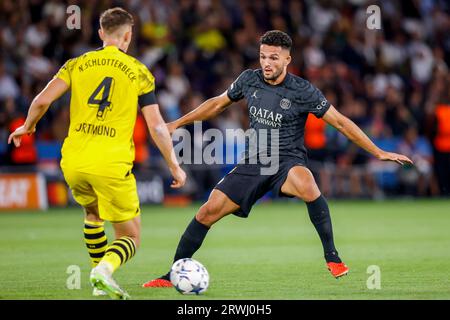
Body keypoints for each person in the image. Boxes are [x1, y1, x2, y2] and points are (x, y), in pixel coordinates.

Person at [142, 30, 413, 288]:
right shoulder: (249, 79)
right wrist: (177, 123)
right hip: (253, 161)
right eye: (263, 56)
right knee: (206, 212)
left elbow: (340, 123)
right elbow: (217, 103)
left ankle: (332, 256)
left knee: (307, 184)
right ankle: (172, 273)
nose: (266, 63)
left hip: (286, 160)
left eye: (273, 57)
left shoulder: (302, 90)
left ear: (287, 59)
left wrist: (378, 152)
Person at [8, 7, 186, 299]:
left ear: (102, 33)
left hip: (74, 160)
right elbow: (156, 127)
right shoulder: (139, 71)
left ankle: (98, 284)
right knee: (130, 236)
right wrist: (174, 165)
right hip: (111, 162)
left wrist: (28, 126)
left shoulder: (77, 64)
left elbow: (41, 100)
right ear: (128, 35)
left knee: (92, 215)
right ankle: (103, 271)